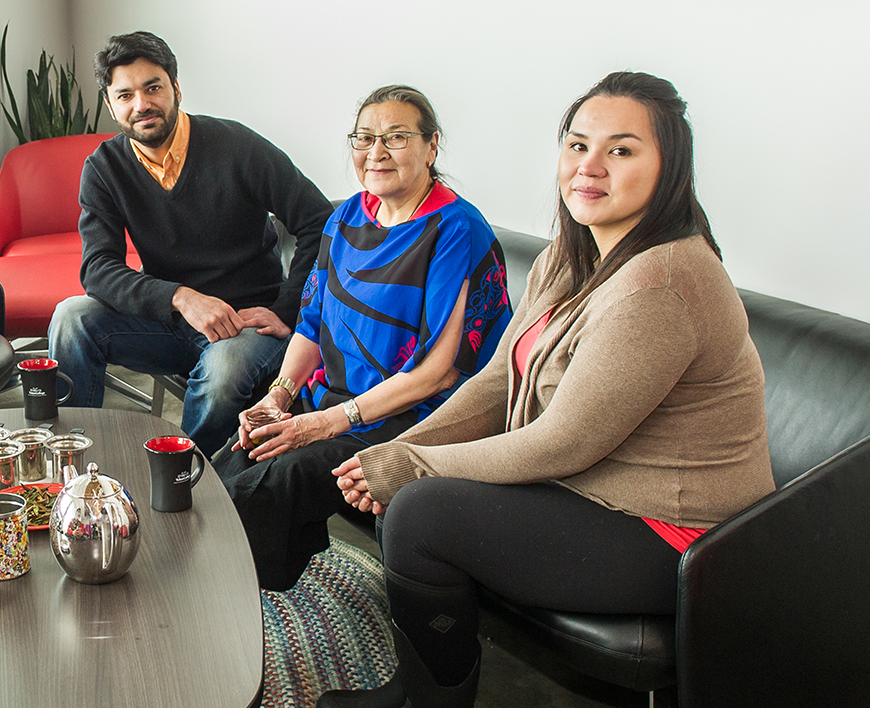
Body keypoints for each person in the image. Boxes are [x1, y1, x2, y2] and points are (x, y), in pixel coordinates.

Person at [321, 72, 774, 708]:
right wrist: (402, 447)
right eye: (577, 145)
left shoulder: (661, 284)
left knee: (422, 513)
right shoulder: (569, 254)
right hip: (589, 489)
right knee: (409, 486)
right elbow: (497, 379)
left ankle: (429, 702)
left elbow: (562, 443)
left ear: (669, 167)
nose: (589, 166)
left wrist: (409, 465)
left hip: (671, 530)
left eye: (621, 150)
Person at [217, 85, 511, 594]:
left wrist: (324, 424)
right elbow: (312, 323)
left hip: (412, 419)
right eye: (365, 137)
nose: (376, 152)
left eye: (396, 137)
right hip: (330, 402)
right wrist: (279, 396)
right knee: (226, 466)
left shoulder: (456, 230)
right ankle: (244, 587)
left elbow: (439, 372)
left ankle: (237, 613)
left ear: (431, 145)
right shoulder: (347, 216)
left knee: (268, 487)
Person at [50, 31, 332, 454]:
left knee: (223, 375)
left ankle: (186, 485)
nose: (141, 104)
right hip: (167, 320)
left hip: (243, 322)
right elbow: (97, 269)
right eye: (124, 95)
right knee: (71, 317)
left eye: (153, 88)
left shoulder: (238, 146)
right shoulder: (105, 167)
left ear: (176, 88)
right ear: (111, 106)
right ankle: (74, 465)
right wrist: (181, 297)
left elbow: (321, 222)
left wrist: (288, 309)